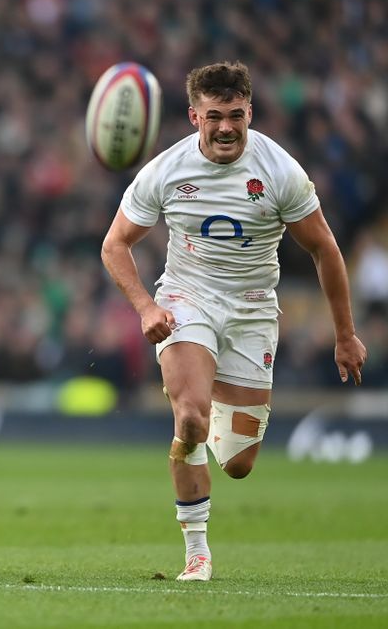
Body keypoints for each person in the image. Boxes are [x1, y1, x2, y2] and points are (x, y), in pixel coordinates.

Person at [100, 61, 367, 582]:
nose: (226, 127)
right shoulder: (165, 170)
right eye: (214, 116)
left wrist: (344, 334)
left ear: (251, 112)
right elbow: (115, 245)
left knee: (239, 463)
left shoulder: (280, 171)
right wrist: (147, 307)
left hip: (252, 309)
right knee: (192, 418)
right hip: (187, 298)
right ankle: (197, 552)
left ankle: (205, 402)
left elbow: (325, 250)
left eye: (236, 116)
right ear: (193, 115)